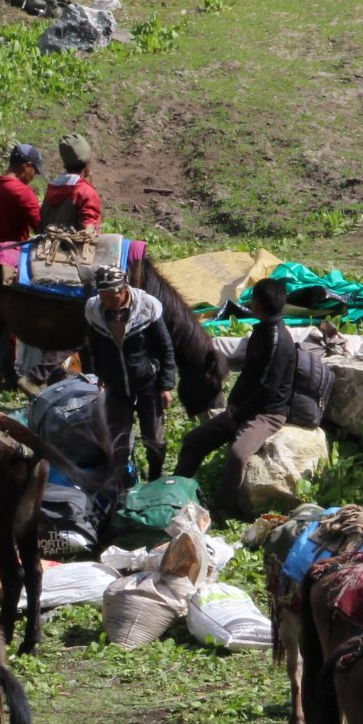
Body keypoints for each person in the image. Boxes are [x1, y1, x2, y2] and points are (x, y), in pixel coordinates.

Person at [173, 277, 296, 517]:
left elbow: (266, 390)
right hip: (243, 407)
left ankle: (222, 508)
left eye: (253, 299)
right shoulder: (262, 331)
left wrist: (236, 416)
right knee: (192, 441)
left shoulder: (278, 340)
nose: (250, 303)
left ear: (259, 304)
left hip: (267, 413)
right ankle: (173, 492)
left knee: (238, 454)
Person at [83, 264, 175, 483]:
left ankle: (155, 477)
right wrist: (98, 374)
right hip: (115, 385)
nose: (105, 301)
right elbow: (93, 345)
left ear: (124, 290)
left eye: (110, 296)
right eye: (102, 295)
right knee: (117, 440)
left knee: (154, 439)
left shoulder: (147, 308)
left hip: (146, 382)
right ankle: (122, 484)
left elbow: (165, 348)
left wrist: (166, 385)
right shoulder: (94, 310)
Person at [0, 143, 44, 245]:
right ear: (26, 167)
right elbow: (41, 228)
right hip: (11, 254)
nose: (34, 176)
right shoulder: (23, 192)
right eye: (35, 172)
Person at [38, 134, 102, 233]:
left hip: (46, 247)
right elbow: (89, 235)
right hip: (73, 248)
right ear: (86, 161)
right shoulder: (85, 192)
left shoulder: (52, 189)